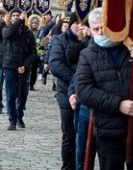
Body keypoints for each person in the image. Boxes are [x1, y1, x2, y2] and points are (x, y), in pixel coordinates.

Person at [75, 7, 133, 169]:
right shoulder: (88, 55)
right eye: (96, 29)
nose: (101, 32)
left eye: (104, 27)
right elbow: (84, 91)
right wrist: (118, 104)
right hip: (109, 131)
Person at [48, 13, 84, 170]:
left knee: (83, 135)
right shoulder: (59, 40)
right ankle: (68, 166)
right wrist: (77, 80)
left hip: (86, 93)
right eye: (77, 23)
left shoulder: (89, 42)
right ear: (71, 24)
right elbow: (55, 65)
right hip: (65, 93)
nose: (80, 26)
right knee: (69, 134)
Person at [2, 8, 37, 130]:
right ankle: (12, 119)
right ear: (11, 18)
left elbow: (34, 53)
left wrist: (25, 66)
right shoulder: (7, 29)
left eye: (18, 15)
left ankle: (19, 116)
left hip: (23, 68)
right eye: (14, 15)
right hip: (10, 66)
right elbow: (8, 34)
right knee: (11, 94)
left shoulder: (28, 33)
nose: (16, 17)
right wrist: (20, 20)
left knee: (23, 95)